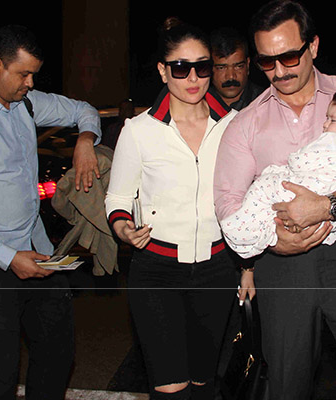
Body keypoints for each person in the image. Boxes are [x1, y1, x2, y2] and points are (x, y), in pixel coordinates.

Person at [213, 1, 336, 399]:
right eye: (267, 62)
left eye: (289, 56)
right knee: (287, 388)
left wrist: (329, 206)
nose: (280, 71)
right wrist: (272, 239)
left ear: (313, 46)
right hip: (282, 266)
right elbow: (228, 200)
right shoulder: (245, 123)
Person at [0, 25, 102, 400]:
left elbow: (84, 110)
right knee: (0, 374)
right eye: (23, 74)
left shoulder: (27, 104)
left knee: (57, 353)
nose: (30, 82)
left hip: (38, 253)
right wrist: (8, 258)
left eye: (34, 74)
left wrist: (85, 141)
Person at [105, 17, 238, 400]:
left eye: (202, 66)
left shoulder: (234, 126)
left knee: (203, 381)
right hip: (156, 270)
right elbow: (117, 199)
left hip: (217, 268)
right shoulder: (139, 130)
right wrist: (124, 228)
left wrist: (246, 267)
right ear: (164, 71)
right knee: (170, 386)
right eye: (181, 67)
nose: (192, 77)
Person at [221, 85, 336, 258]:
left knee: (265, 185)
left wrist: (291, 160)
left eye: (332, 120)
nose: (325, 124)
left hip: (312, 190)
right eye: (326, 118)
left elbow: (301, 161)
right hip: (331, 206)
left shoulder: (333, 140)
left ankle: (242, 231)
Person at [210, 26, 264, 110]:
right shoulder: (198, 105)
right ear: (209, 69)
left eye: (238, 67)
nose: (231, 76)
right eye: (221, 68)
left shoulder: (265, 103)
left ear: (247, 65)